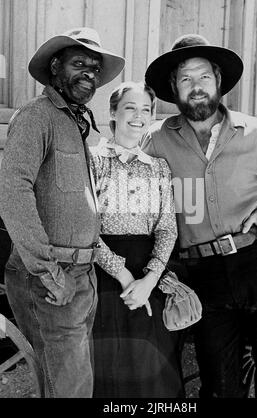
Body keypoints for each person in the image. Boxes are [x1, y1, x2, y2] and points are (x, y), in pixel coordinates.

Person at [143, 34, 257, 398]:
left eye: (203, 77)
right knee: (220, 386)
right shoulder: (156, 140)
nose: (196, 87)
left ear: (218, 82)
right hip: (203, 277)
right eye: (186, 79)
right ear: (173, 87)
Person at [0, 27, 126, 398]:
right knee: (69, 390)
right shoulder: (37, 116)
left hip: (80, 275)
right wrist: (48, 271)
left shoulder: (74, 122)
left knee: (72, 385)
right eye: (79, 63)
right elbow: (12, 193)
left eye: (95, 68)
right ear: (56, 67)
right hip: (50, 278)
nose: (90, 72)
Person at [88, 81, 184, 398]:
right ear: (113, 112)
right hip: (102, 274)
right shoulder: (91, 161)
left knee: (153, 369)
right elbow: (86, 226)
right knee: (107, 364)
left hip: (148, 275)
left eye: (146, 110)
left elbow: (167, 228)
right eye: (130, 107)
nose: (138, 116)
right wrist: (122, 273)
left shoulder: (158, 168)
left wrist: (150, 279)